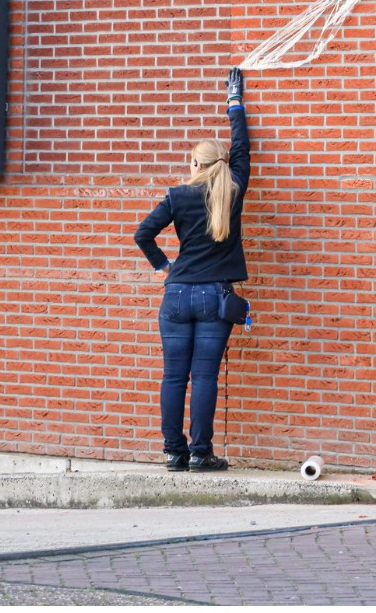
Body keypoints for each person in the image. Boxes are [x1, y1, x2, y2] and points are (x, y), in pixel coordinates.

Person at [133, 67, 250, 472]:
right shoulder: (233, 189)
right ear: (223, 163)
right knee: (204, 378)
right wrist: (235, 102)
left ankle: (173, 452)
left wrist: (164, 266)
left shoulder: (177, 195)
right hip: (216, 296)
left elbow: (142, 234)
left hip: (178, 293)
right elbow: (242, 149)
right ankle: (201, 453)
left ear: (195, 164)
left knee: (173, 378)